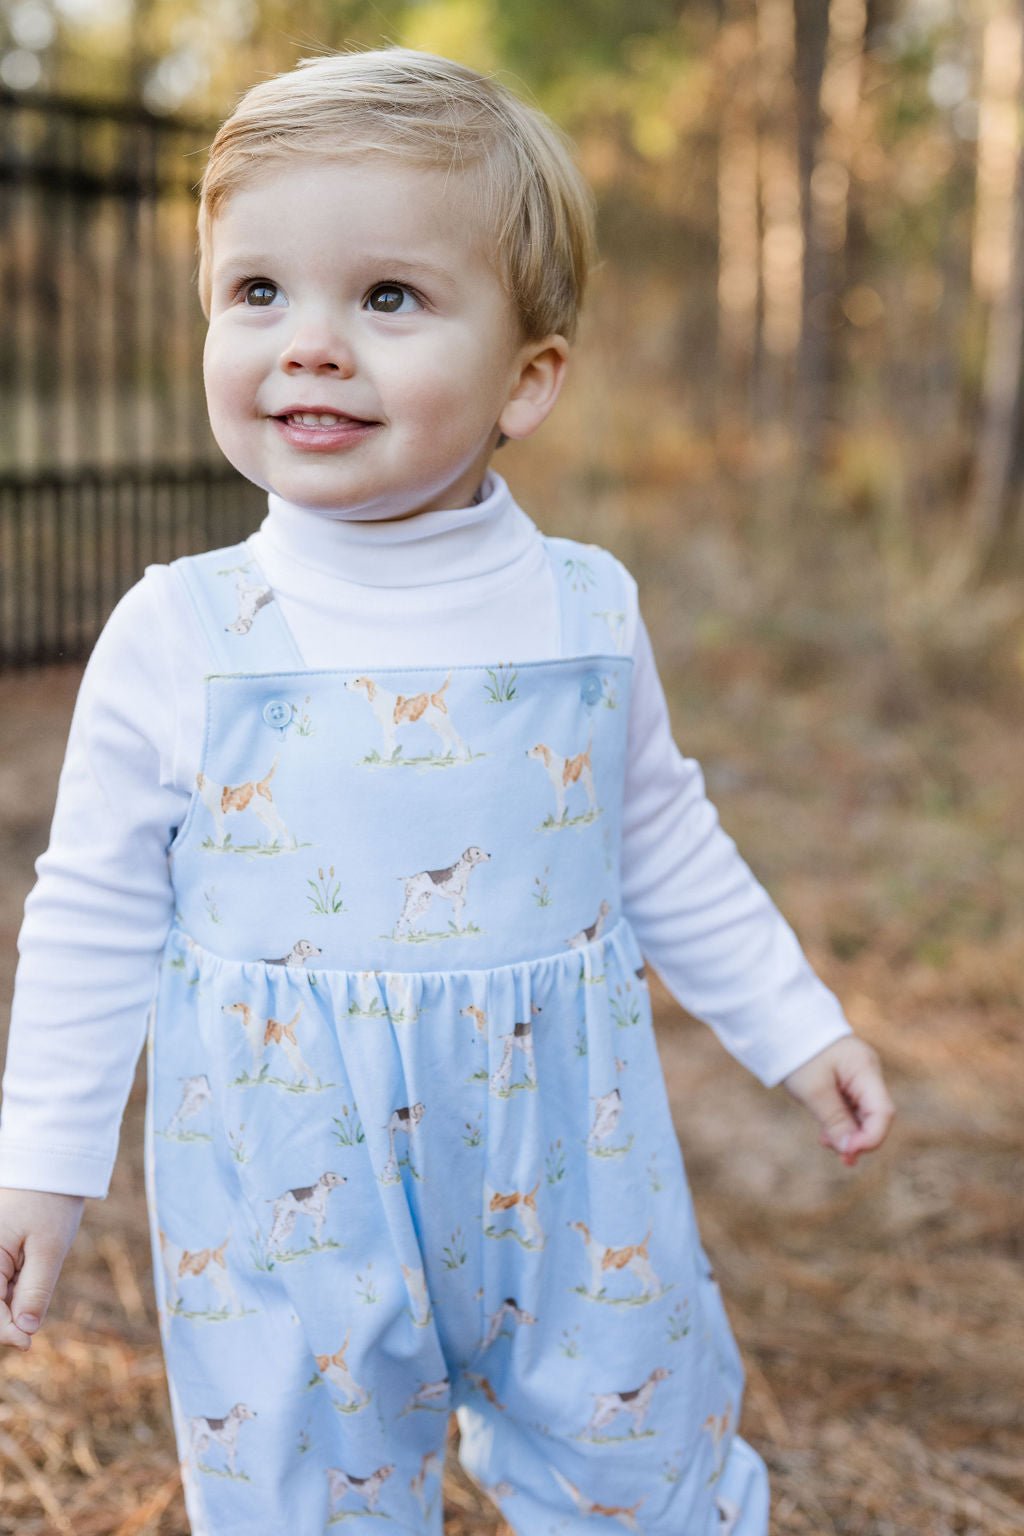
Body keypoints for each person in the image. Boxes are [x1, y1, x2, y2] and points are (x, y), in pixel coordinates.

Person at [0, 48, 893, 1535]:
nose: (311, 346)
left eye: (389, 298)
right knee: (307, 1496)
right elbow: (92, 910)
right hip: (288, 1184)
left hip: (570, 1164)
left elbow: (660, 838)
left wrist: (799, 1026)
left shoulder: (583, 610)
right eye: (258, 292)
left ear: (527, 378)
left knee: (640, 1466)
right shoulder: (181, 631)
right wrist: (42, 1162)